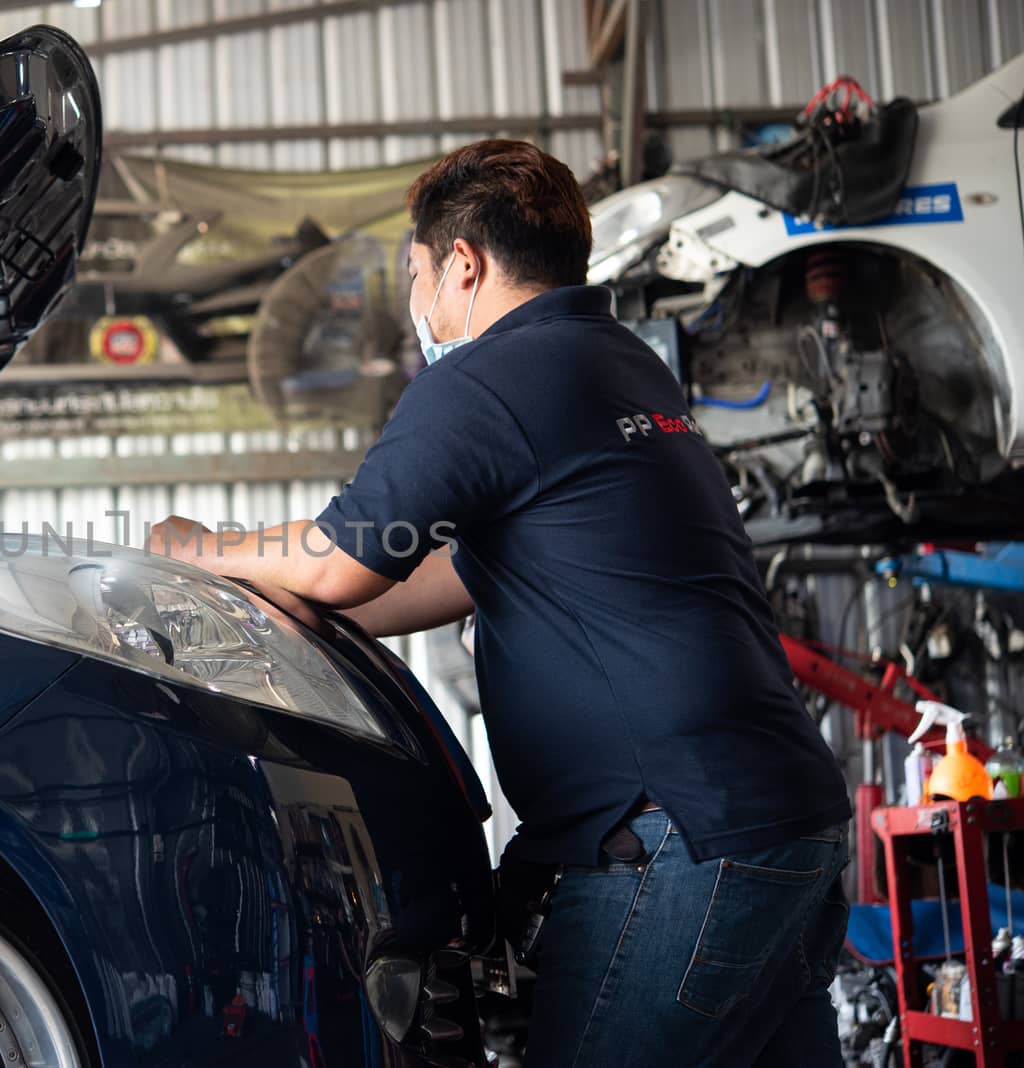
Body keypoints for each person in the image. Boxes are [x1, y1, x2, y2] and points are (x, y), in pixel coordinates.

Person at [145, 139, 852, 1066]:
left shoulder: (484, 380)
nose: (418, 307)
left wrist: (198, 551)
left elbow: (340, 561)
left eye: (417, 277)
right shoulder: (621, 364)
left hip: (678, 842)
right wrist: (290, 608)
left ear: (464, 267)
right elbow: (430, 577)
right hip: (786, 824)